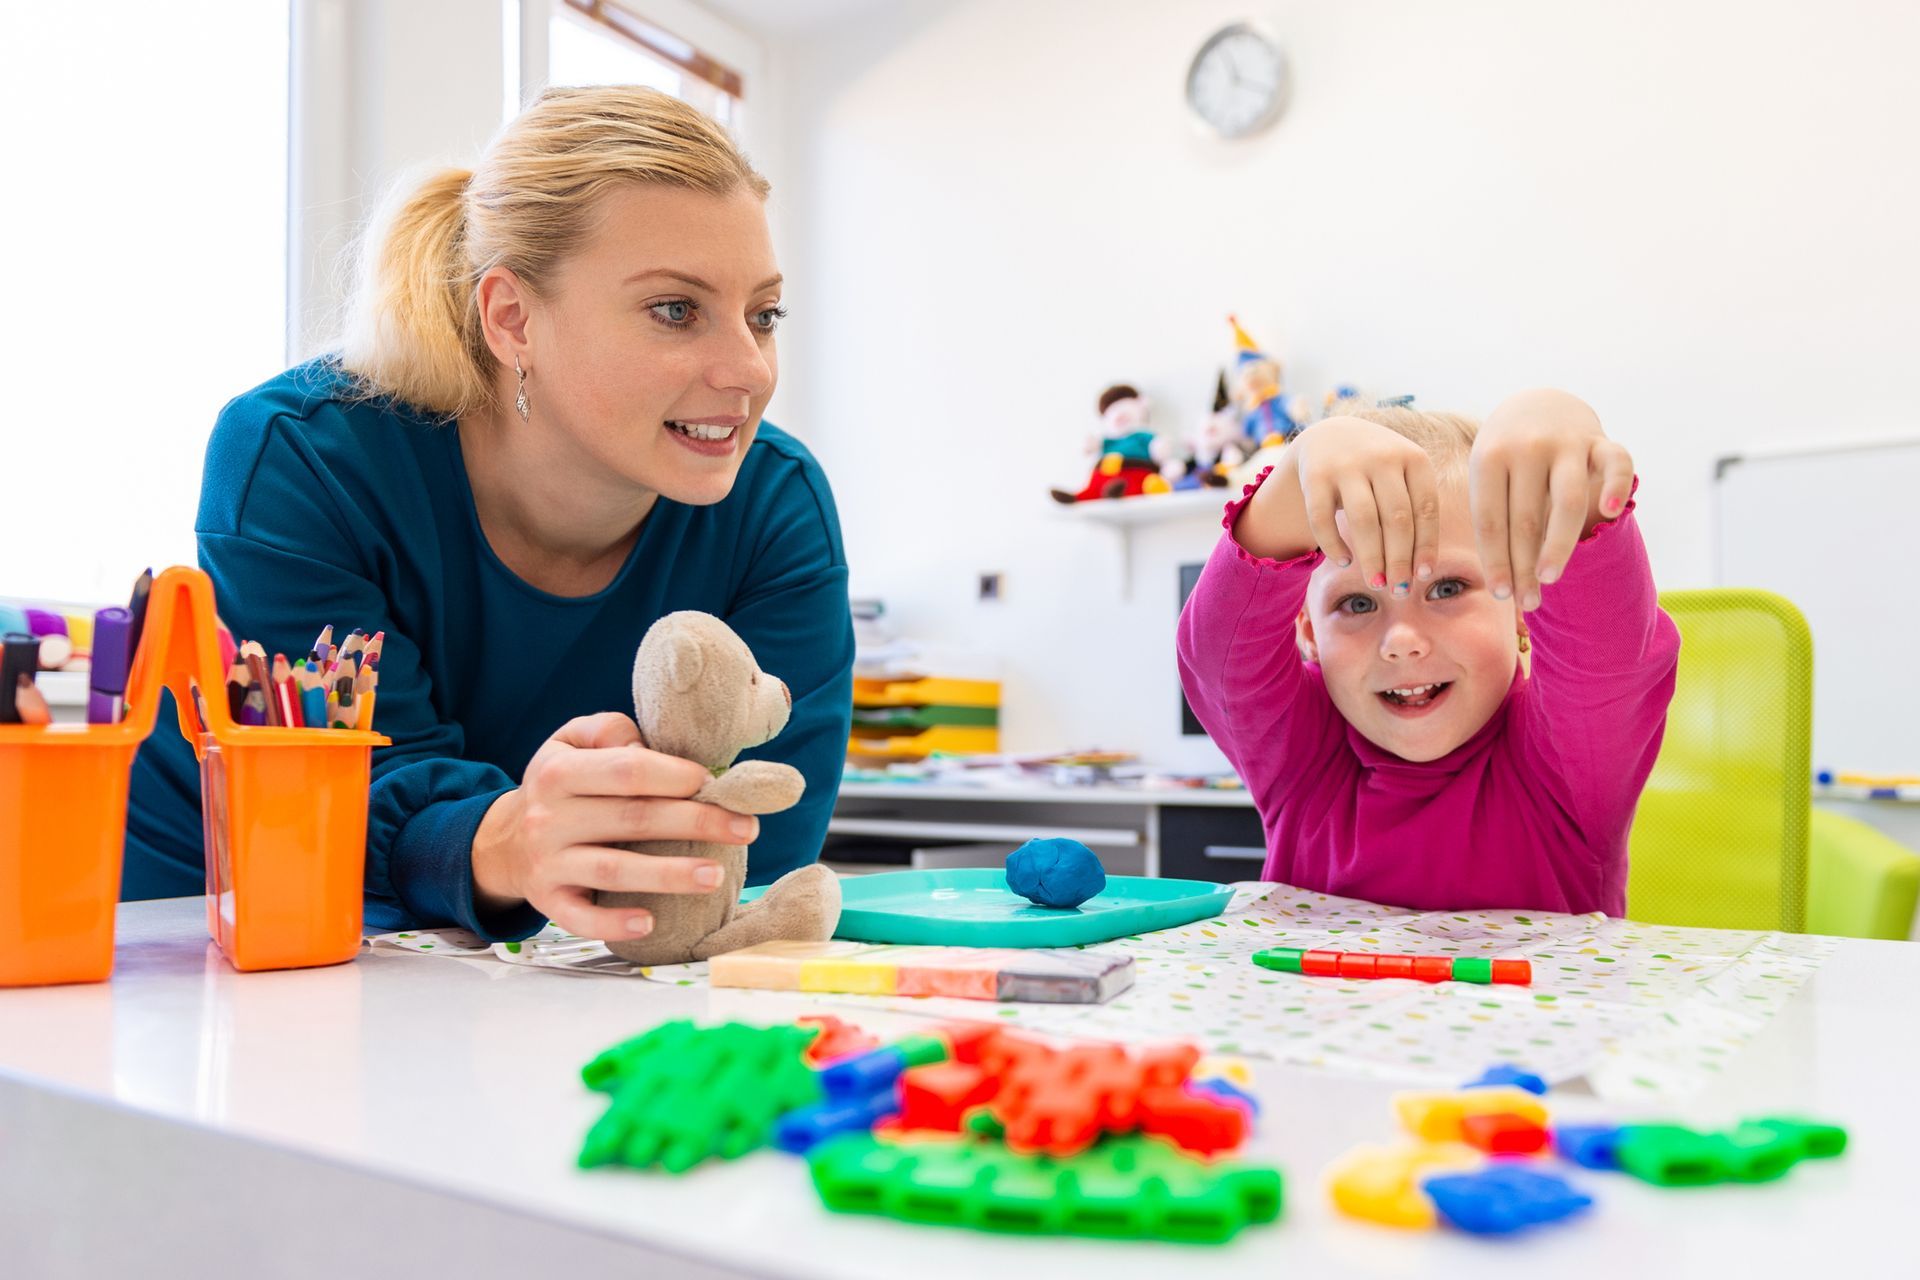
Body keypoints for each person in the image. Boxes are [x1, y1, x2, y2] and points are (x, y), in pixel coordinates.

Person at [124, 86, 853, 944]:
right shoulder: (305, 459)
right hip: (209, 922)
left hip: (522, 959)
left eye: (762, 315)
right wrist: (503, 841)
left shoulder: (777, 507)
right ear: (512, 318)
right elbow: (337, 799)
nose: (749, 371)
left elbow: (746, 855)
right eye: (674, 310)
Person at [1177, 389, 1679, 914]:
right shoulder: (1302, 760)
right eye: (1355, 603)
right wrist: (1295, 474)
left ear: (1521, 611)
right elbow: (1219, 658)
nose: (1401, 642)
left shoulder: (1567, 768)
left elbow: (1607, 656)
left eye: (1446, 589)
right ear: (1307, 632)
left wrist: (1562, 448)